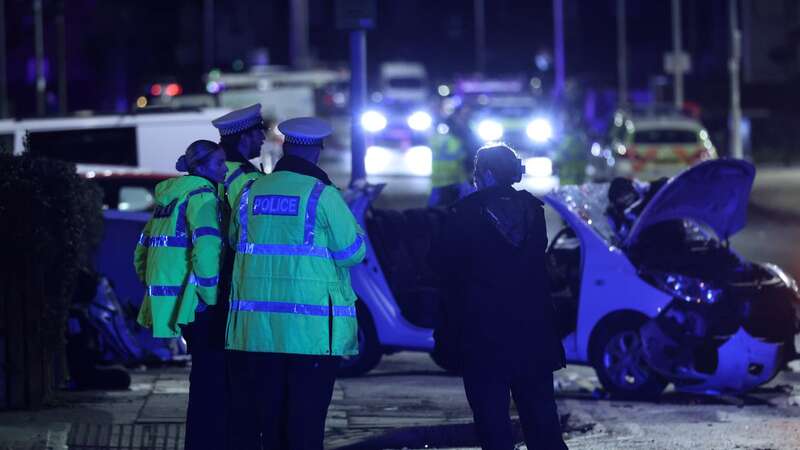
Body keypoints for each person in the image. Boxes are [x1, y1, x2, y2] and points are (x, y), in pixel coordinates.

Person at [225, 117, 367, 450]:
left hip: (257, 333)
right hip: (310, 335)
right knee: (305, 423)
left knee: (269, 423)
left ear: (286, 147)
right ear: (317, 151)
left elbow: (235, 240)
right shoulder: (322, 194)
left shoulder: (250, 190)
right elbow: (352, 252)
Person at [433, 143, 568, 450]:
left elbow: (441, 266)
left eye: (478, 173)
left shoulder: (465, 213)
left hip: (483, 335)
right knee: (542, 420)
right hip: (533, 332)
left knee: (492, 423)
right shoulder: (534, 212)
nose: (475, 179)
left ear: (489, 174)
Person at [134, 140, 227, 450]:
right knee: (212, 382)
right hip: (198, 304)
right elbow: (208, 247)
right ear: (199, 168)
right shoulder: (202, 197)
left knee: (201, 378)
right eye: (218, 164)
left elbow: (141, 254)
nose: (224, 169)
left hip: (177, 304)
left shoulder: (168, 199)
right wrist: (211, 297)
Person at [212, 103, 265, 210]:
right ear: (245, 137)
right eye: (258, 132)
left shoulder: (212, 167)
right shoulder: (246, 176)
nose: (263, 138)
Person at [428, 105, 475, 207]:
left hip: (449, 180)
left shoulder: (464, 130)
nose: (467, 117)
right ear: (456, 116)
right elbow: (467, 154)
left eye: (469, 114)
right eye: (465, 114)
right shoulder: (457, 133)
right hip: (457, 179)